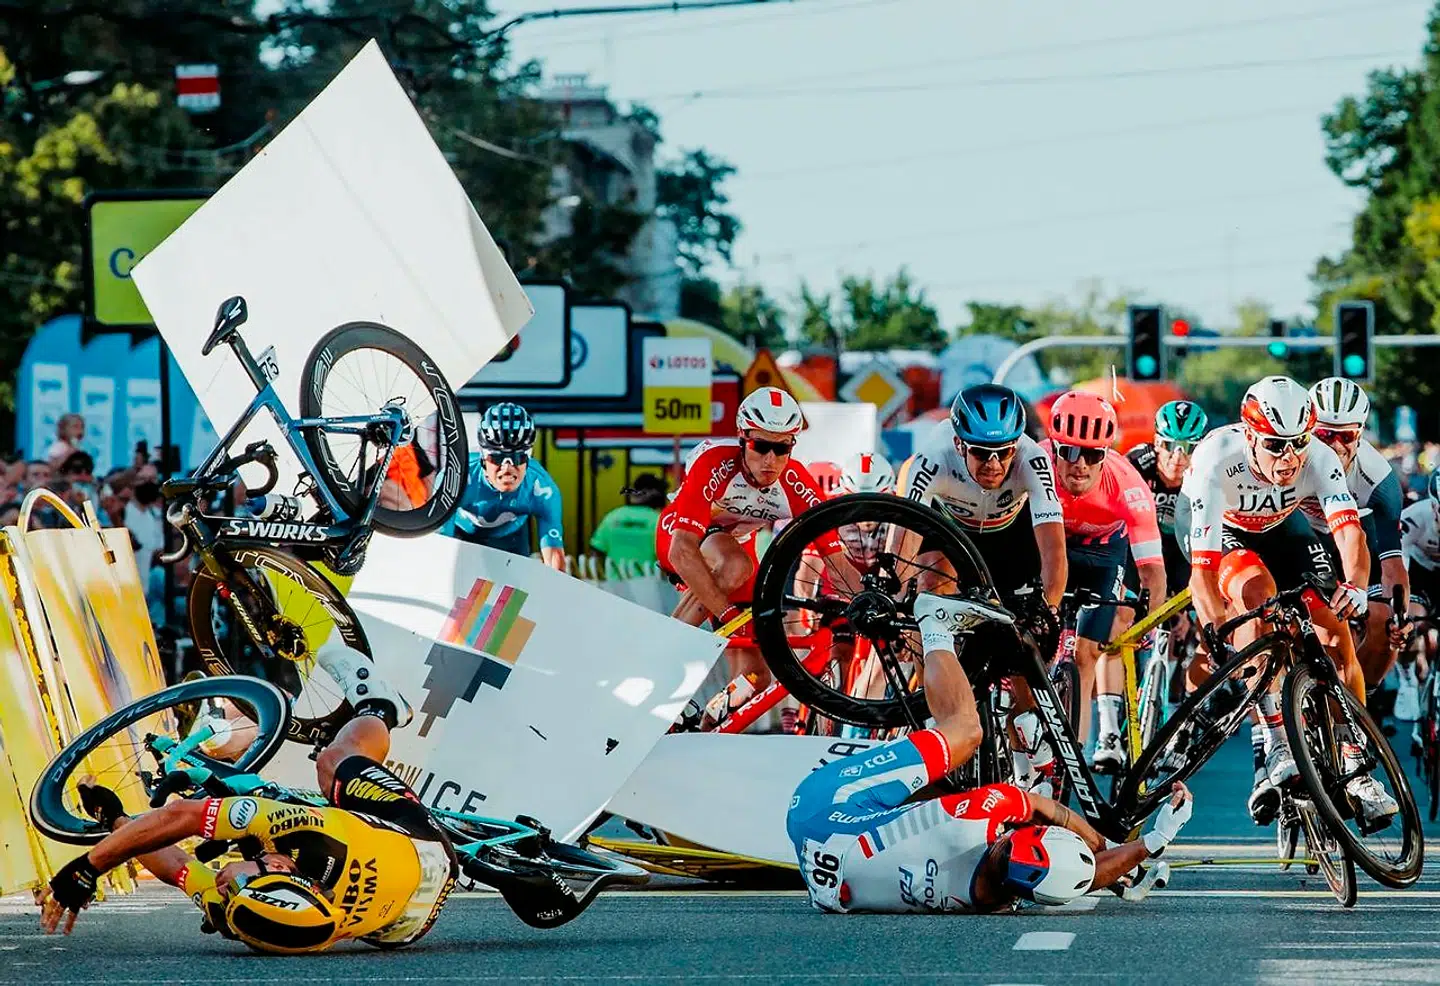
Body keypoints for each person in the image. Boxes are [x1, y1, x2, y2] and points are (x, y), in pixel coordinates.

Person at [787, 591, 1194, 914]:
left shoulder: (977, 819)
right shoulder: (996, 899)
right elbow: (1076, 880)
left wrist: (1108, 843)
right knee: (931, 800)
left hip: (823, 807)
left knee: (966, 732)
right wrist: (1150, 842)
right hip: (825, 879)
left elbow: (1044, 809)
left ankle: (934, 624)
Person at [38, 644, 460, 953]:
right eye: (241, 882)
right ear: (279, 867)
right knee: (334, 762)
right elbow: (182, 815)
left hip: (405, 927)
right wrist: (89, 867)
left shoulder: (250, 913)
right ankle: (381, 707)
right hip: (421, 845)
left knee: (250, 816)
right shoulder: (316, 837)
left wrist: (113, 817)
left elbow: (178, 867)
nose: (225, 882)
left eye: (231, 891)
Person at [1177, 375, 1392, 826]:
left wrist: (1355, 585)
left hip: (1280, 527)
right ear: (1251, 436)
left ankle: (1356, 761)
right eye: (1276, 446)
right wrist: (1216, 629)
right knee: (1256, 600)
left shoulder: (1320, 457)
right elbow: (1203, 573)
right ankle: (1274, 742)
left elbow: (1349, 534)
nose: (1289, 457)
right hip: (1224, 532)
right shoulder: (1216, 460)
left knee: (1334, 633)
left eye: (1299, 443)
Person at [659, 387, 857, 716]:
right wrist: (725, 614)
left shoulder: (795, 482)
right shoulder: (715, 462)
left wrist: (879, 606)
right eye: (761, 446)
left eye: (782, 448)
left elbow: (838, 564)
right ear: (742, 438)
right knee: (736, 564)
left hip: (735, 548)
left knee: (755, 676)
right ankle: (660, 661)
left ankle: (707, 727)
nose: (770, 460)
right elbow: (682, 551)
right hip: (680, 536)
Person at [1041, 391, 1166, 768]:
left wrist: (1148, 622)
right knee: (1029, 641)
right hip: (1046, 543)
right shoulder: (1035, 465)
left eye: (1093, 455)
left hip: (1103, 554)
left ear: (1106, 454)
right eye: (1069, 452)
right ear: (1054, 449)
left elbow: (1151, 570)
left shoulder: (1128, 485)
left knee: (1086, 654)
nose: (1080, 465)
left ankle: (1073, 759)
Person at [1303, 378, 1407, 690]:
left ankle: (1357, 703)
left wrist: (1401, 617)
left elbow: (1392, 564)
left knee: (1384, 621)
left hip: (1358, 536)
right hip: (1304, 536)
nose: (1335, 446)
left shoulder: (1380, 480)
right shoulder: (1289, 461)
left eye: (1346, 436)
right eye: (1324, 435)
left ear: (1360, 434)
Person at [443, 403, 566, 572]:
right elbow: (439, 544)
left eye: (517, 457)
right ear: (483, 458)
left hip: (510, 540)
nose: (507, 467)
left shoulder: (542, 489)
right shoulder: (458, 477)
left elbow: (554, 558)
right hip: (461, 536)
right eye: (497, 457)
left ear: (528, 458)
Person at [590, 474, 667, 579]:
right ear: (651, 493)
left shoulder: (612, 517)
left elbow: (596, 552)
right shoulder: (660, 521)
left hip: (613, 584)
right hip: (650, 584)